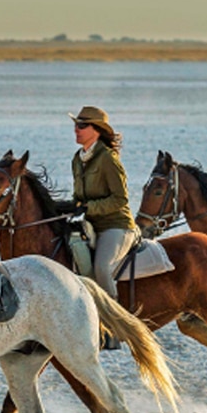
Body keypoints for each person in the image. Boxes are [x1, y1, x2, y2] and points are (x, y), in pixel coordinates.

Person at [56, 106, 138, 298]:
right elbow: (80, 197)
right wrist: (68, 207)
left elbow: (120, 199)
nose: (76, 129)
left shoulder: (108, 159)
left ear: (97, 130)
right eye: (76, 124)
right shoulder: (77, 159)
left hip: (115, 226)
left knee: (102, 268)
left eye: (82, 125)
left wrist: (88, 208)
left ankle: (113, 318)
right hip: (90, 225)